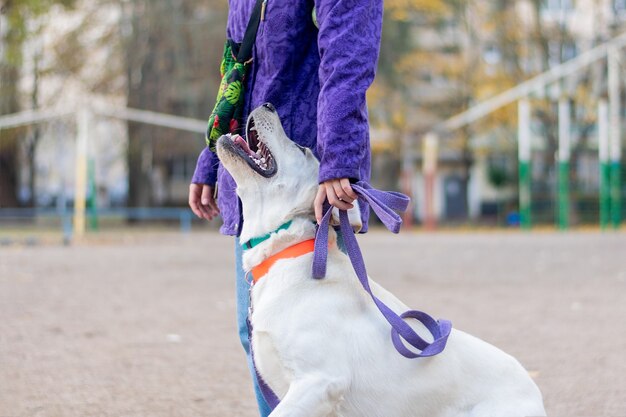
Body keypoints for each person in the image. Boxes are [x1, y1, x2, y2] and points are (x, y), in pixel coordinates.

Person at [189, 0, 383, 415]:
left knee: (316, 346)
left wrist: (339, 159)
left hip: (305, 177)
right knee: (258, 332)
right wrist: (214, 157)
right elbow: (234, 69)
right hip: (257, 183)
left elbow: (349, 53)